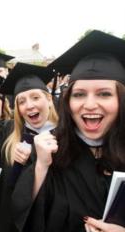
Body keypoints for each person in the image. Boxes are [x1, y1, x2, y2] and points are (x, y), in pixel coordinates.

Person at [12, 30, 125, 232]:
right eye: (79, 94)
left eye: (105, 94)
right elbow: (24, 218)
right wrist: (41, 166)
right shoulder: (51, 149)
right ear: (67, 101)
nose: (89, 105)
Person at [0, 62, 57, 232]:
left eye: (35, 97)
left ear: (49, 99)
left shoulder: (66, 136)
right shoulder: (9, 131)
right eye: (21, 101)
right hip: (10, 221)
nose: (29, 105)